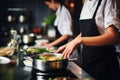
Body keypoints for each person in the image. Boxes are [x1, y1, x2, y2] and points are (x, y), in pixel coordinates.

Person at [56, 0, 120, 80]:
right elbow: (85, 32)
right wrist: (70, 44)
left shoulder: (108, 1)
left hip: (104, 65)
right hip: (88, 62)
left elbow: (114, 37)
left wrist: (80, 41)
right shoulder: (86, 3)